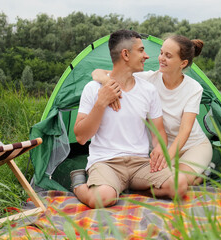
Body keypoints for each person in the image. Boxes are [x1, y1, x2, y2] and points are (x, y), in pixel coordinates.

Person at [73, 30, 188, 209]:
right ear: (125, 54)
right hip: (106, 162)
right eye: (141, 50)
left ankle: (127, 187)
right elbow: (80, 137)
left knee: (179, 184)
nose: (147, 55)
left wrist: (159, 149)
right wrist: (101, 102)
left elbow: (158, 132)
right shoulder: (93, 88)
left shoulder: (148, 90)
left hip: (139, 164)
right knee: (103, 198)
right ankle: (79, 185)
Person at [92, 35, 213, 186]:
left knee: (176, 182)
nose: (161, 58)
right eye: (161, 53)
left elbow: (185, 130)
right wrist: (108, 83)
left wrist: (165, 159)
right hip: (163, 146)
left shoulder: (193, 88)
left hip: (193, 146)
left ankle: (203, 172)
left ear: (183, 63)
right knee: (159, 181)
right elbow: (97, 72)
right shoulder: (147, 79)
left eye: (168, 56)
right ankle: (196, 173)